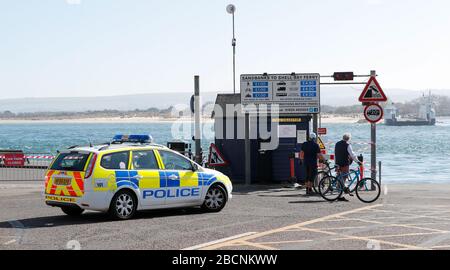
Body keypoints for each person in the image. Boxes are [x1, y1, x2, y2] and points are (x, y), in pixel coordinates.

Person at [334, 133, 362, 201]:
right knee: (344, 178)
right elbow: (352, 155)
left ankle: (339, 192)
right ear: (348, 139)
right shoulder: (347, 145)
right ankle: (340, 195)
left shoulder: (337, 144)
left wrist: (335, 162)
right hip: (344, 163)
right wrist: (358, 161)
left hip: (338, 162)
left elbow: (335, 153)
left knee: (339, 177)